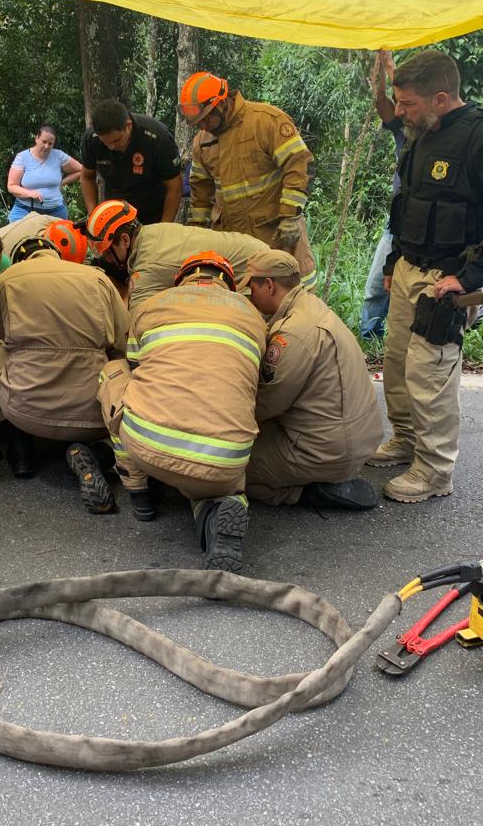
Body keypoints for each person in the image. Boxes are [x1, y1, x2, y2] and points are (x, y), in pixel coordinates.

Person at [98, 252, 266, 572]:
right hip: (224, 460)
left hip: (149, 447)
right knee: (216, 483)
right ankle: (219, 506)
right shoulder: (254, 317)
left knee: (115, 372)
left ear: (182, 278)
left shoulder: (153, 304)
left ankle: (138, 492)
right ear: (229, 284)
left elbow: (135, 365)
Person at [367, 50, 483, 503]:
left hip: (448, 280)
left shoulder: (476, 137)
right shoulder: (422, 132)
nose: (398, 113)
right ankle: (406, 440)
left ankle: (435, 472)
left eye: (407, 104)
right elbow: (408, 206)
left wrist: (470, 278)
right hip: (410, 267)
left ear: (440, 98)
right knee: (395, 365)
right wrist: (395, 263)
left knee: (429, 376)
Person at [0, 234, 129, 511]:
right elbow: (121, 340)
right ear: (58, 256)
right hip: (94, 415)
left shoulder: (6, 280)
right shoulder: (96, 277)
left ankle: (20, 450)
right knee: (117, 363)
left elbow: (5, 336)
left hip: (25, 412)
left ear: (19, 259)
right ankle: (99, 453)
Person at [240, 250, 381, 510]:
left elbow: (266, 404)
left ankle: (305, 492)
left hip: (325, 451)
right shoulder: (313, 307)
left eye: (251, 288)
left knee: (225, 465)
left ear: (269, 285)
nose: (250, 295)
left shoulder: (293, 334)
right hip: (358, 438)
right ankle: (320, 475)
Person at [178, 71, 317, 290]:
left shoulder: (266, 121)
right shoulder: (202, 142)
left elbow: (299, 165)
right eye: (198, 122)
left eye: (206, 118)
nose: (202, 125)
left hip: (277, 235)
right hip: (233, 244)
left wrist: (290, 216)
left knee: (291, 301)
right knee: (244, 306)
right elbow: (200, 192)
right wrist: (197, 234)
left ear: (221, 104)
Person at [84, 198, 268, 313]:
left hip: (256, 275)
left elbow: (135, 321)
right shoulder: (152, 232)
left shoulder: (149, 264)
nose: (106, 259)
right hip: (255, 251)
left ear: (125, 240)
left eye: (107, 251)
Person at [360, 51, 407, 339]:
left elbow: (404, 93)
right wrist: (379, 79)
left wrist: (390, 64)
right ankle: (369, 338)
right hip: (396, 224)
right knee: (377, 285)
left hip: (432, 227)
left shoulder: (430, 132)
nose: (401, 109)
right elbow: (382, 104)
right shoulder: (404, 130)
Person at [80, 100, 182, 224]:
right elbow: (86, 177)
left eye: (116, 140)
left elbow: (175, 187)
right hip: (115, 214)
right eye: (105, 143)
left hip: (153, 213)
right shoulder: (91, 139)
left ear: (128, 125)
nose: (111, 147)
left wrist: (165, 226)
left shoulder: (158, 138)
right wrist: (93, 215)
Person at [7, 124, 82, 222]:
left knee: (61, 235)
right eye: (44, 142)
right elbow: (11, 186)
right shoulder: (22, 157)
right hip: (25, 209)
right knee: (15, 234)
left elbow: (81, 170)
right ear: (36, 138)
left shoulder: (58, 155)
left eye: (50, 144)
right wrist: (29, 193)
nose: (47, 146)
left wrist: (63, 182)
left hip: (55, 210)